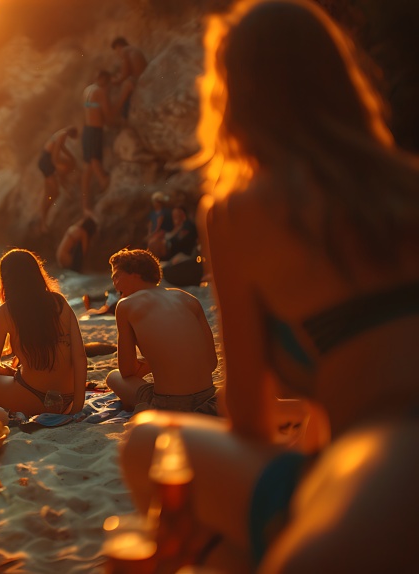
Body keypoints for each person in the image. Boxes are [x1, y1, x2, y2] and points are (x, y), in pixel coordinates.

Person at [119, 1, 419, 570]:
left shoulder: (238, 212)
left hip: (381, 466)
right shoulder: (408, 183)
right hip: (373, 462)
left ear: (234, 96)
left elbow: (248, 417)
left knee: (146, 444)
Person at [0, 249, 88, 415]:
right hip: (68, 399)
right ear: (36, 273)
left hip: (33, 398)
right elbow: (80, 357)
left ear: (6, 279)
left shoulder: (5, 312)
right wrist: (77, 406)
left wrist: (8, 372)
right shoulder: (59, 302)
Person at [104, 249, 218, 414]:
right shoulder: (188, 299)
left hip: (170, 404)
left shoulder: (126, 305)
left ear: (135, 274)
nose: (114, 283)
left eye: (116, 276)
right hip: (209, 398)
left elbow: (127, 371)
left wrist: (150, 361)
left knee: (113, 377)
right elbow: (212, 363)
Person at [81, 70, 112, 213]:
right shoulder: (100, 92)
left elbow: (90, 110)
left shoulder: (87, 90)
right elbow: (107, 115)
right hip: (95, 130)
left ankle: (85, 205)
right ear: (104, 80)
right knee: (94, 160)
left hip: (86, 130)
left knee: (87, 169)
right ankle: (105, 185)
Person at [37, 126, 79, 224]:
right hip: (46, 162)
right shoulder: (63, 135)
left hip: (45, 160)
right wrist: (59, 170)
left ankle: (43, 219)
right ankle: (43, 220)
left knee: (51, 193)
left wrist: (71, 158)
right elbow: (54, 158)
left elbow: (62, 148)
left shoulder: (61, 133)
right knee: (54, 192)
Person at [111, 37, 148, 120]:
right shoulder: (133, 49)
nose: (117, 53)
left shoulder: (125, 51)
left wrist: (115, 81)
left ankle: (115, 111)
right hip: (143, 77)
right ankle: (122, 113)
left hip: (139, 79)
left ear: (119, 46)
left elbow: (124, 75)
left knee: (126, 85)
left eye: (116, 50)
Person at [145, 191, 173, 258]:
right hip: (155, 233)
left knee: (154, 242)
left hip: (162, 232)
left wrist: (153, 233)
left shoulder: (165, 212)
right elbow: (150, 224)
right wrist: (149, 233)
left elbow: (159, 224)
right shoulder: (153, 213)